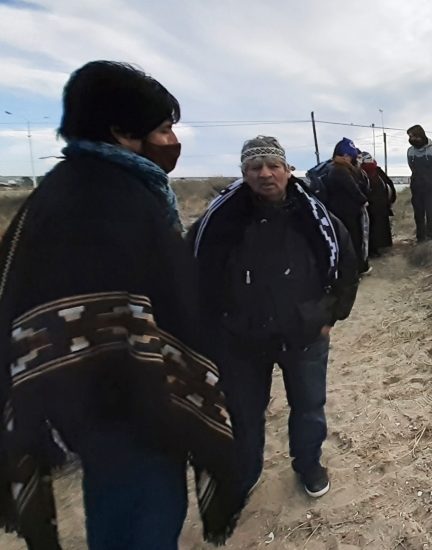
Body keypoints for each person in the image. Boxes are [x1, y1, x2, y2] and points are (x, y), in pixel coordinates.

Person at [0, 61, 244, 549]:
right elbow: (167, 301)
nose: (172, 140)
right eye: (163, 128)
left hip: (83, 408)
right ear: (120, 130)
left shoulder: (54, 192)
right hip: (135, 405)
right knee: (145, 519)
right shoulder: (118, 200)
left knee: (111, 511)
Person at [190, 136, 359, 500]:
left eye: (273, 166)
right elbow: (192, 271)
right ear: (244, 173)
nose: (265, 174)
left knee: (309, 407)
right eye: (255, 167)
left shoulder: (316, 216)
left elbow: (347, 263)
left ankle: (309, 466)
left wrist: (332, 315)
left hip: (305, 333)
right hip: (241, 338)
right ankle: (247, 472)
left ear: (287, 169)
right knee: (244, 412)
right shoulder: (219, 219)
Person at [307, 138, 370, 274]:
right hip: (348, 213)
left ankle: (350, 269)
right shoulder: (340, 170)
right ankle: (355, 270)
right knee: (353, 241)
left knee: (344, 242)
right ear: (345, 155)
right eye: (351, 156)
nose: (352, 159)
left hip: (337, 211)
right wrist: (364, 200)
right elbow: (353, 190)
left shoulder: (332, 168)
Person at [406, 124, 432, 242]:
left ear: (420, 136)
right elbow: (411, 167)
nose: (411, 139)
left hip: (430, 188)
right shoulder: (410, 151)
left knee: (431, 214)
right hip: (416, 188)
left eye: (413, 136)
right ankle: (420, 239)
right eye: (409, 137)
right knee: (418, 215)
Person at [358, 152, 397, 257]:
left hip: (374, 206)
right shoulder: (375, 170)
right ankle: (379, 248)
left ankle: (375, 250)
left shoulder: (363, 172)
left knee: (374, 228)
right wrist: (391, 200)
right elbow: (389, 185)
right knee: (379, 227)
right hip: (379, 205)